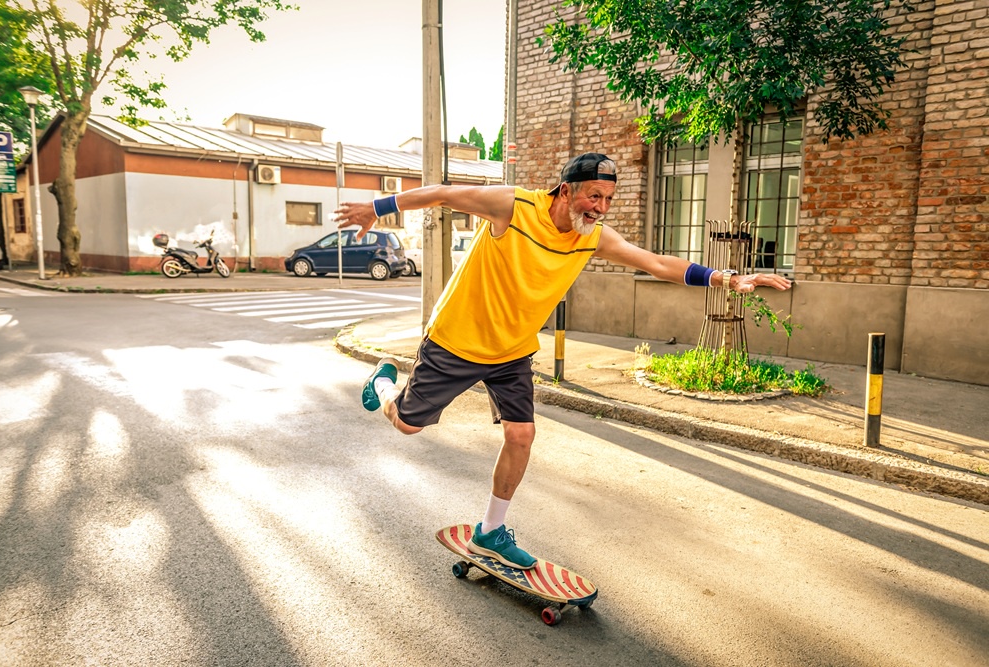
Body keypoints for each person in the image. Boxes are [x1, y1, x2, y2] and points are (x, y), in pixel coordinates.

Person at [332, 153, 791, 570]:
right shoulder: (512, 207)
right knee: (407, 425)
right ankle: (384, 384)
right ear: (566, 190)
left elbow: (654, 263)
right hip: (457, 339)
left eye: (608, 199)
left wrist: (725, 278)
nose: (601, 208)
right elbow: (443, 194)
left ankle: (490, 531)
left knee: (521, 435)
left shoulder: (592, 238)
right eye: (594, 196)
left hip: (512, 349)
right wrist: (377, 207)